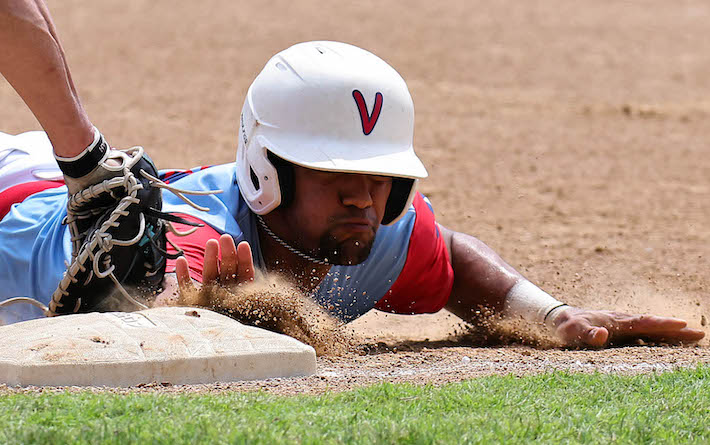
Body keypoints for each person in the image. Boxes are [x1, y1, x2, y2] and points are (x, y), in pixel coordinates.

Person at [0, 3, 704, 347]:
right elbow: (155, 319)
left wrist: (551, 313)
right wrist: (218, 306)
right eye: (338, 177)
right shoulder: (202, 242)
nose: (365, 200)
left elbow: (452, 259)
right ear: (265, 174)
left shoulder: (376, 238)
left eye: (379, 178)